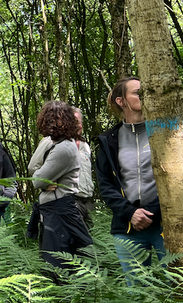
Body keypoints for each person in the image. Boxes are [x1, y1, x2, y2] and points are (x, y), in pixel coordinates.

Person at [95, 77, 165, 281]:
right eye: (137, 92)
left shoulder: (165, 132)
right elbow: (105, 185)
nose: (143, 96)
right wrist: (131, 213)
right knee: (136, 295)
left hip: (166, 223)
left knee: (176, 290)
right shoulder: (109, 141)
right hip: (127, 227)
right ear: (121, 101)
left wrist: (150, 212)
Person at [28, 101, 92, 277]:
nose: (53, 124)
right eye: (50, 120)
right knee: (52, 261)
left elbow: (37, 182)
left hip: (60, 212)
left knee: (57, 265)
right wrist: (40, 176)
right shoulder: (54, 144)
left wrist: (40, 178)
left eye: (57, 120)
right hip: (53, 211)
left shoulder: (64, 148)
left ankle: (63, 301)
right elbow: (34, 169)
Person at [71, 106, 95, 227]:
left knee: (96, 239)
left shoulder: (86, 146)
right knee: (81, 241)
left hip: (88, 199)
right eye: (73, 122)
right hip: (72, 200)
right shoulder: (61, 146)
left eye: (79, 122)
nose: (77, 126)